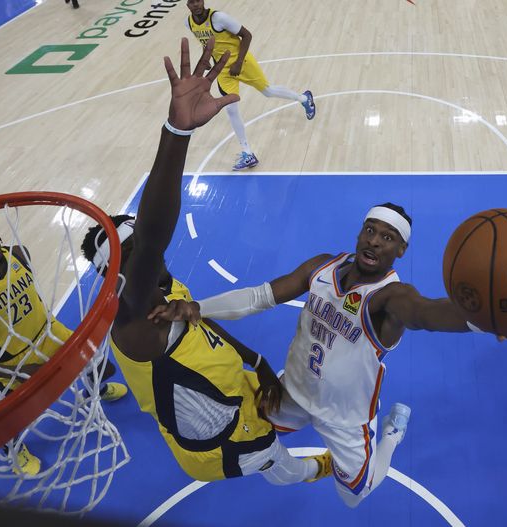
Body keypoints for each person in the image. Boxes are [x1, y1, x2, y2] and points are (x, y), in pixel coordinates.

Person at [149, 203, 507, 507]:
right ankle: (312, 466)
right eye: (370, 230)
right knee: (259, 450)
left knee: (354, 498)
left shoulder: (392, 297)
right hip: (292, 390)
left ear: (400, 251)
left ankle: (392, 436)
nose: (374, 241)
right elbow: (260, 296)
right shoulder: (322, 267)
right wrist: (197, 307)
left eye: (388, 237)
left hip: (344, 414)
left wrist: (490, 320)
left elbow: (429, 314)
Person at [81, 37, 329, 485]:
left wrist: (256, 360)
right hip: (222, 442)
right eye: (132, 254)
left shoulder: (167, 289)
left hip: (236, 392)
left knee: (293, 405)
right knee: (284, 467)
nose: (148, 257)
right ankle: (315, 469)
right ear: (112, 274)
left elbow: (202, 323)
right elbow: (152, 238)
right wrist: (177, 133)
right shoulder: (130, 323)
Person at [0, 218, 128, 475]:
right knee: (12, 421)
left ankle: (97, 390)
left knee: (103, 368)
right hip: (11, 363)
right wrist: (15, 371)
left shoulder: (18, 254)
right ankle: (12, 449)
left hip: (51, 333)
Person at [185, 0, 316, 171]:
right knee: (231, 108)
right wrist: (206, 58)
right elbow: (207, 43)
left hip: (243, 62)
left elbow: (247, 35)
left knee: (268, 91)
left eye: (197, 0)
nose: (195, 4)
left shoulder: (219, 18)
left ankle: (304, 98)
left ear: (202, 1)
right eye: (191, 2)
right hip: (223, 70)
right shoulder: (189, 23)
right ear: (187, 5)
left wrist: (239, 62)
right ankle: (248, 153)